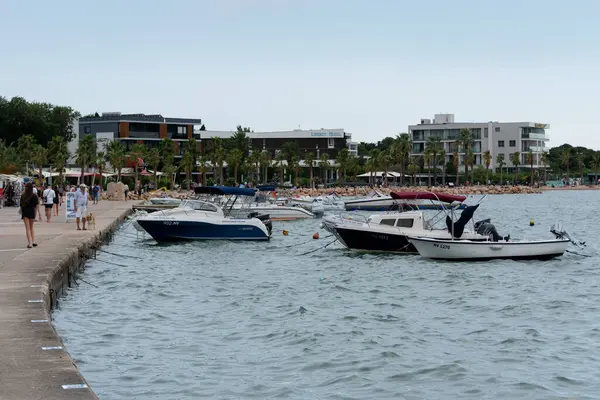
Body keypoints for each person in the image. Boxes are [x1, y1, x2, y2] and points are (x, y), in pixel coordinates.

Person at [20, 182, 38, 248]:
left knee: (27, 228)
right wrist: (37, 214)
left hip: (25, 212)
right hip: (32, 212)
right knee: (31, 227)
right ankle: (33, 241)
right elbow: (36, 206)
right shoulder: (34, 196)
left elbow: (21, 205)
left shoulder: (23, 195)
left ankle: (30, 243)